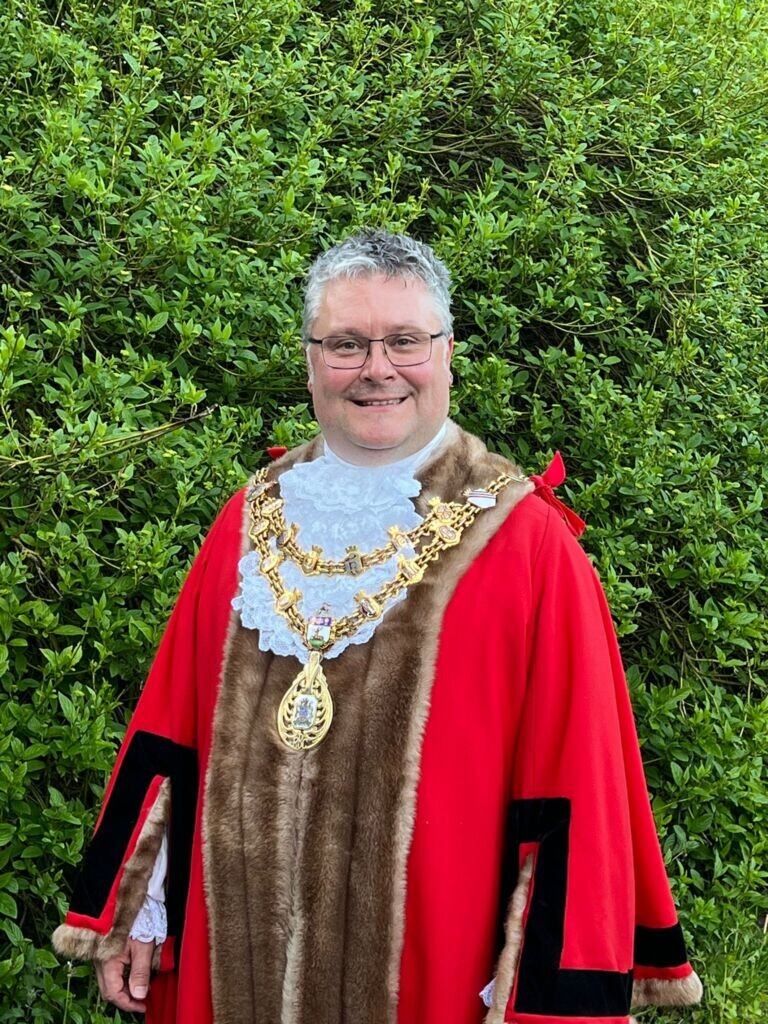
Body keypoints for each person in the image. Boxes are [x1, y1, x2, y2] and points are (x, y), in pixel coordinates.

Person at [53, 230, 702, 1024]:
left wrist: (539, 994)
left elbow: (578, 790)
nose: (377, 368)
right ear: (309, 359)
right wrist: (138, 909)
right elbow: (172, 726)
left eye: (404, 341)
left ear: (448, 351)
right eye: (346, 345)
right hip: (234, 960)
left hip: (438, 972)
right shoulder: (249, 519)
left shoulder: (530, 548)